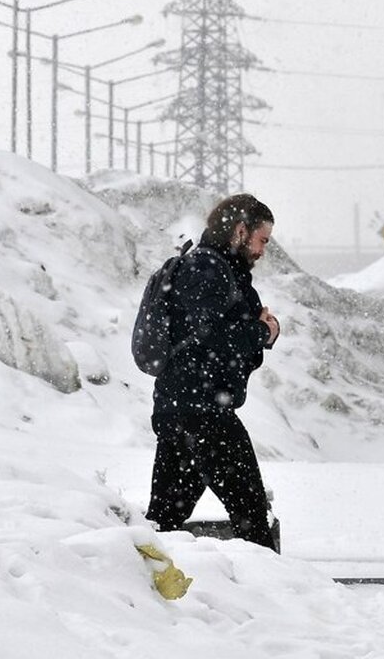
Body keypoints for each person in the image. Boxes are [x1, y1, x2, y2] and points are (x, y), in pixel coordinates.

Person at [144, 193, 281, 550]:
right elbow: (212, 335)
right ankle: (275, 596)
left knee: (162, 523)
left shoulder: (220, 269)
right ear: (240, 230)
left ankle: (142, 591)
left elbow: (218, 339)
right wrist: (262, 331)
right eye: (262, 239)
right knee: (251, 517)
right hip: (202, 413)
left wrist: (256, 334)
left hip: (183, 409)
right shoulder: (205, 267)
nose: (263, 250)